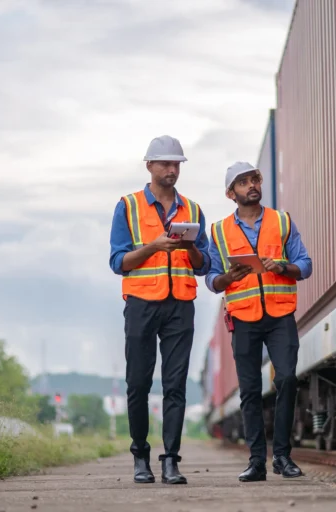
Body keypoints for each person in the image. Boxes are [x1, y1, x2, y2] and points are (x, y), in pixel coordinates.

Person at [109, 135, 210, 485]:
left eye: (176, 164)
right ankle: (140, 457)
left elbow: (202, 264)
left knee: (175, 385)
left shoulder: (193, 210)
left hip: (180, 304)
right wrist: (153, 246)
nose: (171, 170)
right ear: (149, 165)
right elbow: (118, 262)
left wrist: (191, 246)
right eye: (165, 163)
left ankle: (171, 461)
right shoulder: (128, 206)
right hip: (140, 303)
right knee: (138, 383)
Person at [206, 161, 312, 482]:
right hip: (243, 318)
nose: (251, 185)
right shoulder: (219, 231)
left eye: (254, 179)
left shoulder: (282, 222)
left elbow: (304, 265)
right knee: (250, 391)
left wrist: (282, 266)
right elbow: (211, 280)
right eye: (243, 182)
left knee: (287, 380)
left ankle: (281, 456)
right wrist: (229, 276)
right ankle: (257, 462)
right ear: (230, 193)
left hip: (280, 314)